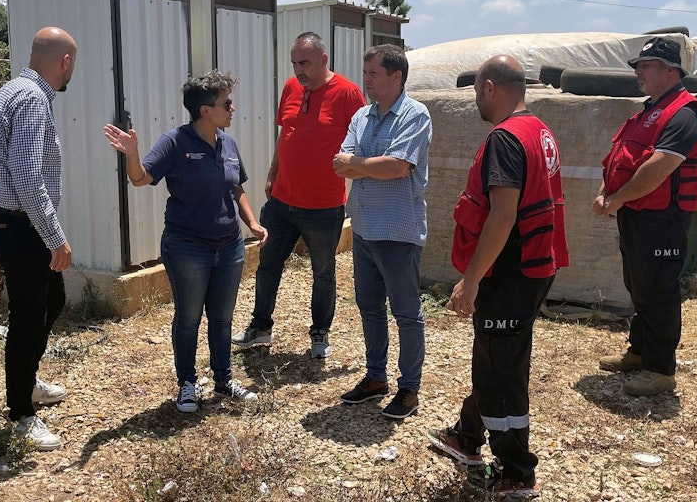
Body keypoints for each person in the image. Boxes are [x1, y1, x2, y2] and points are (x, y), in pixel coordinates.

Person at [430, 55, 568, 499]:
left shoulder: (505, 138)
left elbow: (503, 215)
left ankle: (516, 471)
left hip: (508, 273)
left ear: (489, 87)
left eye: (476, 93)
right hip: (533, 265)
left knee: (501, 374)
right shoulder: (539, 130)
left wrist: (471, 280)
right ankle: (466, 437)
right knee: (496, 358)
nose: (476, 101)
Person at [103, 70, 268, 414]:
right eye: (227, 103)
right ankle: (187, 384)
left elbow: (236, 188)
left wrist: (252, 222)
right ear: (205, 110)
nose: (233, 108)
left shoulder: (229, 143)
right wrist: (132, 153)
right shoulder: (175, 142)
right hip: (187, 247)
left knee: (222, 319)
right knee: (189, 316)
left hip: (230, 246)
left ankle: (223, 381)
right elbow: (141, 179)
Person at [232, 32, 365, 358]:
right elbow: (286, 132)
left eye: (304, 63)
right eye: (294, 63)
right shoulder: (291, 88)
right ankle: (260, 327)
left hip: (323, 205)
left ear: (323, 60)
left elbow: (363, 140)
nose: (298, 70)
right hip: (282, 200)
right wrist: (273, 171)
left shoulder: (348, 93)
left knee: (323, 272)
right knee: (268, 265)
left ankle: (320, 334)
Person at [594, 36, 697, 396]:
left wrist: (616, 199)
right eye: (639, 66)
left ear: (671, 70)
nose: (638, 72)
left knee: (658, 291)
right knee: (638, 284)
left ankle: (660, 370)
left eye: (646, 66)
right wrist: (607, 194)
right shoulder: (648, 110)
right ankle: (639, 351)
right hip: (637, 214)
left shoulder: (685, 113)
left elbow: (658, 169)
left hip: (664, 219)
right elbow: (620, 160)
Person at [0, 26, 77, 451]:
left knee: (50, 303)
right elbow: (27, 176)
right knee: (27, 319)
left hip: (13, 223)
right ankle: (21, 411)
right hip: (23, 227)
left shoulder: (10, 90)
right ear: (65, 62)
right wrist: (55, 237)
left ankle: (29, 381)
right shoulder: (34, 99)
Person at [333, 44, 432, 419]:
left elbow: (396, 167)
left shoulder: (415, 115)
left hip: (398, 228)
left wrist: (361, 164)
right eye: (366, 72)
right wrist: (366, 164)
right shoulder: (362, 115)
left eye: (373, 73)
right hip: (363, 226)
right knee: (369, 307)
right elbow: (340, 164)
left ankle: (409, 388)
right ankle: (376, 377)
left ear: (396, 76)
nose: (367, 79)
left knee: (406, 313)